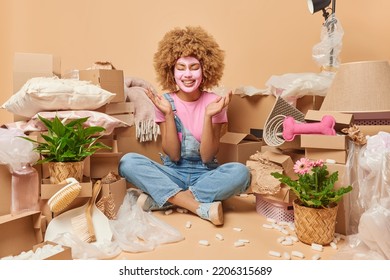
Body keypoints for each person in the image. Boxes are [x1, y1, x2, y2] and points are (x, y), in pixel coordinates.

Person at [119, 26, 250, 226]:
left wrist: (208, 116)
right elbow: (173, 155)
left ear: (205, 69)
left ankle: (166, 199)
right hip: (173, 172)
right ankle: (197, 206)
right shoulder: (164, 101)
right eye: (181, 68)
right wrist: (168, 115)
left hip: (205, 175)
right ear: (171, 71)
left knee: (241, 173)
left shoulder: (215, 102)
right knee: (127, 162)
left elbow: (207, 156)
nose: (187, 75)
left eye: (194, 67)